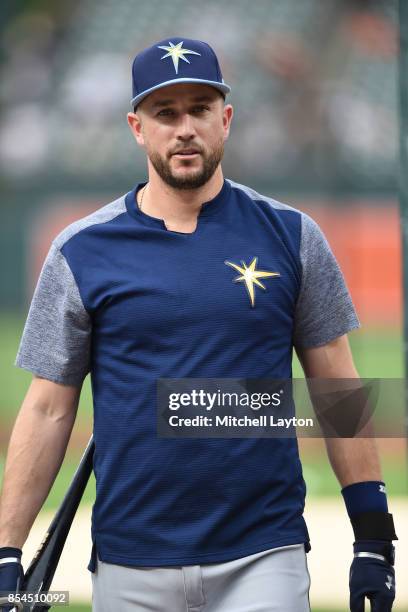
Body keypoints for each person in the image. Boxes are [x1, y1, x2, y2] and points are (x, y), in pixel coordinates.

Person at [0, 37, 398, 612]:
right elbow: (47, 407)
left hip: (264, 554)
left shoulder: (291, 236)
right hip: (130, 561)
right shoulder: (81, 250)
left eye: (200, 110)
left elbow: (336, 384)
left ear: (226, 119)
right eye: (165, 113)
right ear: (137, 127)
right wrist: (9, 552)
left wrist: (373, 538)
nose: (184, 128)